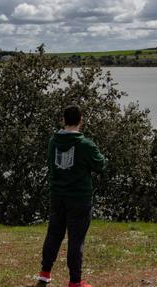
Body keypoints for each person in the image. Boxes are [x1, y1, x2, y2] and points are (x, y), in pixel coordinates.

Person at [34, 105, 106, 287]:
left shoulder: (53, 142)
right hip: (79, 198)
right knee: (76, 239)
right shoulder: (85, 145)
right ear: (81, 120)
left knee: (54, 233)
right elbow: (100, 165)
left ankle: (45, 272)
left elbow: (52, 166)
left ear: (63, 120)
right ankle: (75, 281)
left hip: (57, 196)